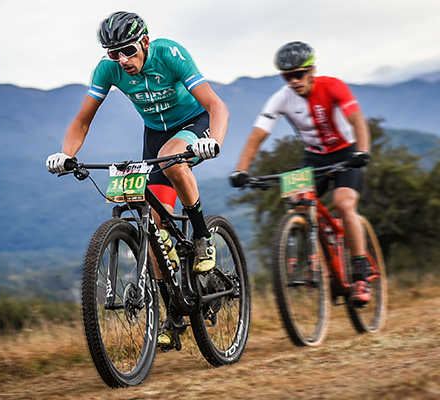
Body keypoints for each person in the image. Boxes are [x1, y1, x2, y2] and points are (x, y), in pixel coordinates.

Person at [46, 11, 229, 345]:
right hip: (156, 134)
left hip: (195, 123)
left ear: (145, 42)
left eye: (128, 51)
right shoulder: (108, 70)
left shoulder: (170, 54)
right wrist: (66, 153)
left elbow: (217, 106)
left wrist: (213, 140)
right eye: (113, 53)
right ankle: (174, 314)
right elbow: (82, 120)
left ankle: (203, 239)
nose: (122, 60)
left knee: (171, 162)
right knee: (154, 229)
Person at [229, 41, 372, 305]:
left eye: (298, 74)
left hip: (347, 152)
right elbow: (257, 136)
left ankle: (361, 274)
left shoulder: (333, 86)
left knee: (343, 204)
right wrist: (241, 170)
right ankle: (313, 258)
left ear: (311, 70)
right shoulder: (281, 98)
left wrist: (362, 151)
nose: (294, 81)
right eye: (287, 76)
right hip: (314, 158)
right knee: (297, 200)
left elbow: (357, 120)